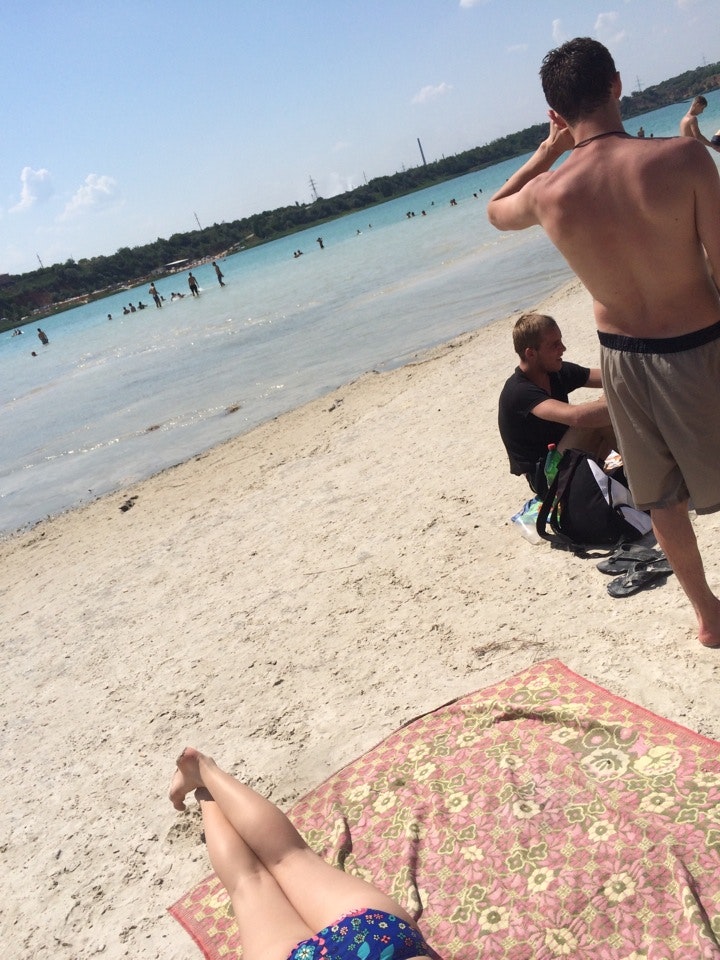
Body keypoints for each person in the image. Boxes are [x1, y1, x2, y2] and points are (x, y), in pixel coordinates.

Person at [487, 37, 720, 648]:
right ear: (617, 84)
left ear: (556, 114)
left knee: (660, 496)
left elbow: (495, 208)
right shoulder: (685, 159)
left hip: (625, 361)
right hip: (701, 343)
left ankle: (708, 616)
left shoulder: (549, 193)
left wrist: (547, 152)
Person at [169, 747, 437, 960]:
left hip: (378, 944)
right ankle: (205, 796)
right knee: (247, 883)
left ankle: (203, 770)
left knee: (289, 857)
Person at [498, 312, 614, 497]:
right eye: (554, 345)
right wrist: (621, 404)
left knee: (607, 398)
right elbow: (577, 417)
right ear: (530, 353)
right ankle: (644, 467)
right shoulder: (519, 391)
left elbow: (610, 377)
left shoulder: (555, 371)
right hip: (547, 477)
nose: (563, 348)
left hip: (567, 456)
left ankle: (643, 464)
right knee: (593, 419)